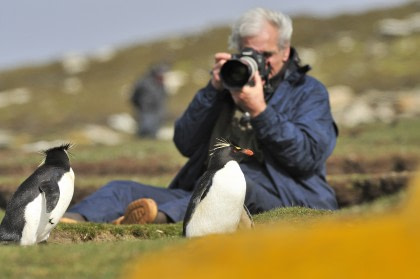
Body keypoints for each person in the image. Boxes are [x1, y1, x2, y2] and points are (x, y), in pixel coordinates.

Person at [62, 7, 338, 225]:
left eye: (266, 54)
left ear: (285, 51)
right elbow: (184, 143)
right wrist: (213, 90)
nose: (259, 63)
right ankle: (72, 221)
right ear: (235, 51)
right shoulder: (225, 88)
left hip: (290, 198)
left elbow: (306, 158)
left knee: (234, 180)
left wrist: (260, 111)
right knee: (121, 189)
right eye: (249, 54)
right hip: (203, 191)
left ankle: (160, 217)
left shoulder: (308, 92)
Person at [130, 63, 169, 138]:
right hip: (145, 109)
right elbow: (135, 95)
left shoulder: (161, 84)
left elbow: (163, 97)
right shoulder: (144, 82)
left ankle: (150, 141)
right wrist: (139, 105)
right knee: (145, 127)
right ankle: (142, 140)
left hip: (157, 111)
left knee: (154, 128)